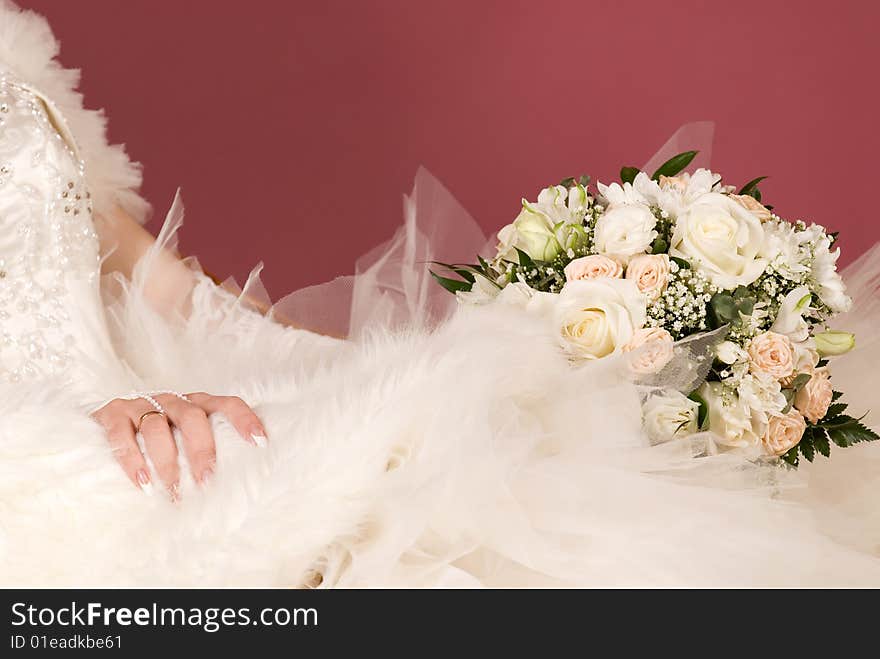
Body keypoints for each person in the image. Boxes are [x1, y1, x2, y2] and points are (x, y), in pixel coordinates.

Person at [2, 1, 880, 587]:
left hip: (148, 405)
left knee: (469, 415)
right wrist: (78, 423)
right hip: (36, 460)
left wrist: (377, 362)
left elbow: (161, 285)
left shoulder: (19, 60)